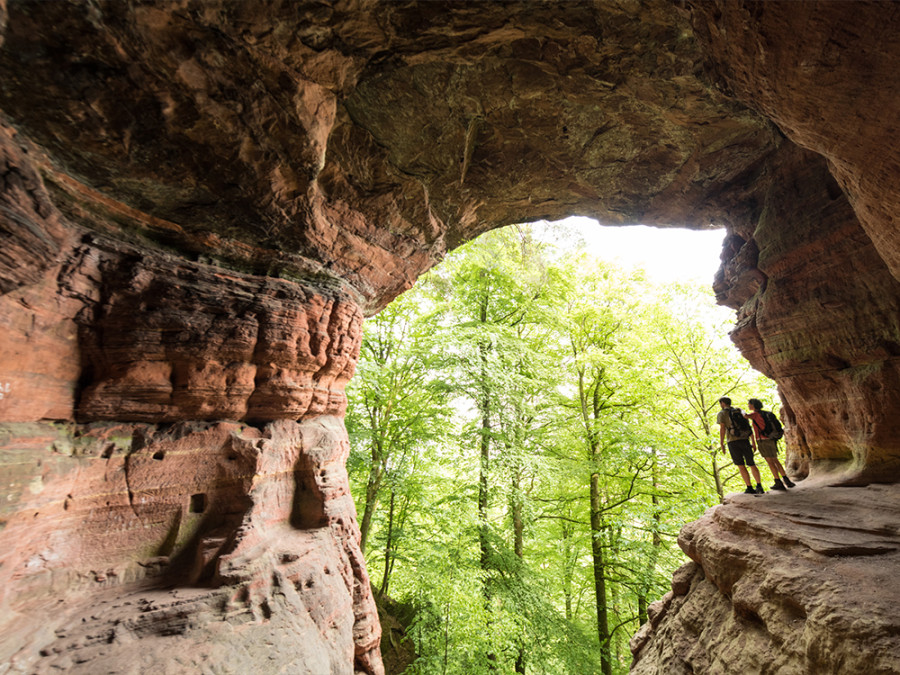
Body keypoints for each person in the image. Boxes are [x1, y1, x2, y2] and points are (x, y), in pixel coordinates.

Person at [717, 396, 765, 495]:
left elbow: (722, 429)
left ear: (722, 403)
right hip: (745, 440)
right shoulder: (739, 411)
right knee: (751, 464)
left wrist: (722, 443)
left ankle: (749, 487)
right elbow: (748, 426)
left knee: (741, 465)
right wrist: (753, 442)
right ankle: (759, 486)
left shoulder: (722, 413)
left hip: (733, 441)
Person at [745, 398, 795, 491]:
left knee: (770, 462)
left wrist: (739, 410)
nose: (748, 406)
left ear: (753, 405)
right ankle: (786, 480)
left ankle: (778, 481)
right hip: (771, 439)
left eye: (749, 404)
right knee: (775, 460)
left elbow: (745, 416)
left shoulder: (755, 414)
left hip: (763, 441)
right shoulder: (766, 413)